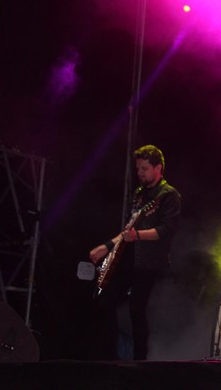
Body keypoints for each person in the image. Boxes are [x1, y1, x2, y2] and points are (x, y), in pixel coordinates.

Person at [89, 144, 182, 360]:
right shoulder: (140, 193)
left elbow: (166, 231)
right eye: (138, 168)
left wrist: (137, 235)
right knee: (104, 300)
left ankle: (140, 361)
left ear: (158, 168)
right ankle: (110, 357)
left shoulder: (169, 195)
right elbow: (127, 230)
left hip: (150, 261)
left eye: (144, 168)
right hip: (129, 257)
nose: (139, 172)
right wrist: (107, 246)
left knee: (136, 308)